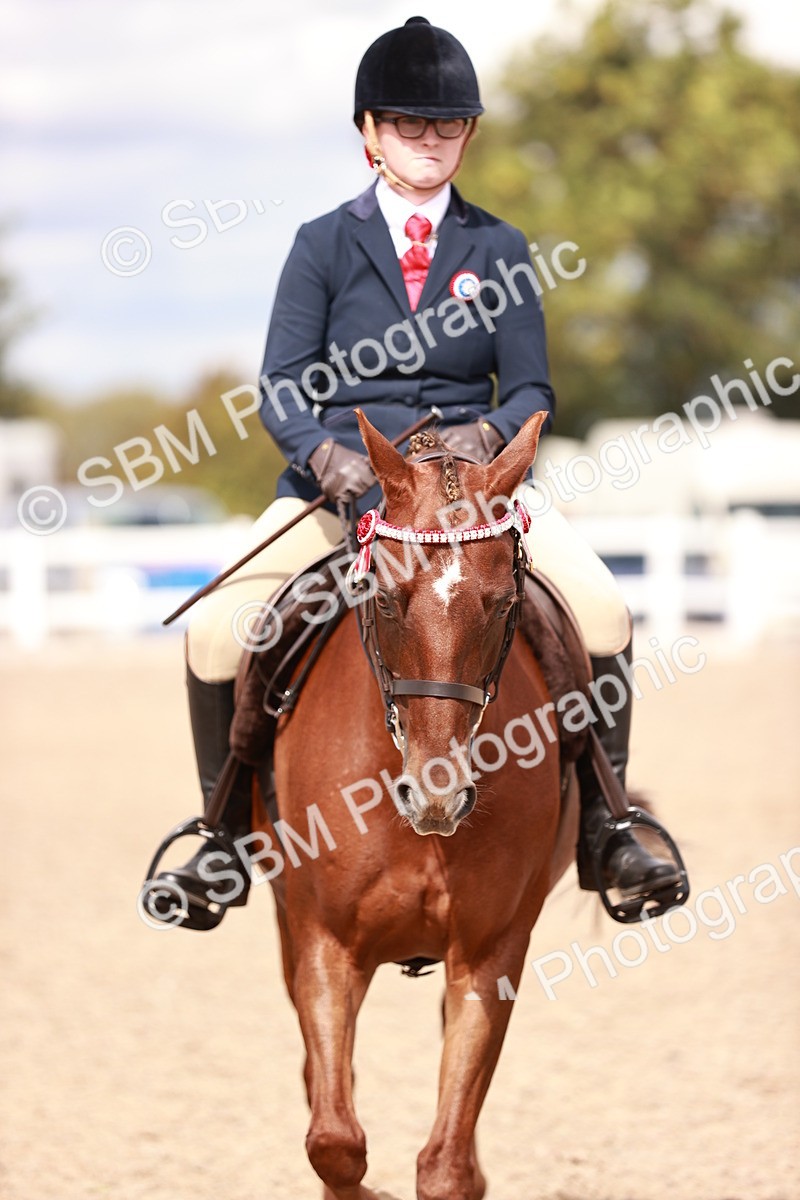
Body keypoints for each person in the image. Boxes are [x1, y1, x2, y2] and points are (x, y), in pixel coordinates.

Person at [151, 16, 683, 929]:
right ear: (369, 132)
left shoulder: (502, 248)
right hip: (343, 486)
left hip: (471, 495)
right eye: (408, 127)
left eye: (446, 128)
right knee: (212, 630)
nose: (429, 144)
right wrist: (332, 460)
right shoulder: (322, 244)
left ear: (468, 135)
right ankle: (224, 841)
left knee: (603, 611)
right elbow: (281, 384)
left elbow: (530, 390)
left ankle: (605, 824)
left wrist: (482, 450)